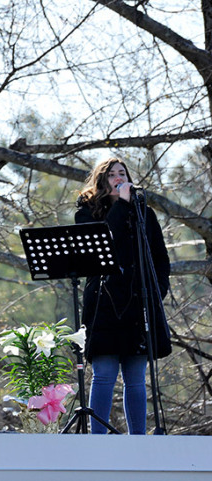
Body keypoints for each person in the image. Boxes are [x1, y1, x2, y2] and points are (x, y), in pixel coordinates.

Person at [75, 157, 172, 434]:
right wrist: (120, 205)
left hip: (138, 303)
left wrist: (157, 291)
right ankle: (98, 439)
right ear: (102, 181)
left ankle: (138, 440)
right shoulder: (88, 212)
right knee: (104, 374)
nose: (119, 178)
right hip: (103, 304)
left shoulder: (143, 213)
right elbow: (105, 240)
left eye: (123, 173)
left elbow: (160, 258)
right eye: (112, 175)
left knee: (136, 378)